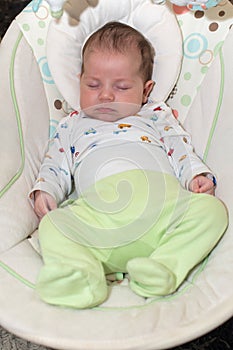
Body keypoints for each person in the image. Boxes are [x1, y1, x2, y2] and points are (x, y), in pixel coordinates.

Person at [30, 22, 228, 308]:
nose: (106, 95)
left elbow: (179, 147)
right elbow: (55, 164)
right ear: (79, 80)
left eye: (122, 87)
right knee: (52, 226)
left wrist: (194, 174)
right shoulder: (71, 124)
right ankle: (84, 275)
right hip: (99, 221)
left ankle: (164, 268)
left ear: (145, 91)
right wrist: (45, 191)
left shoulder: (155, 115)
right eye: (93, 85)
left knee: (212, 211)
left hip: (163, 210)